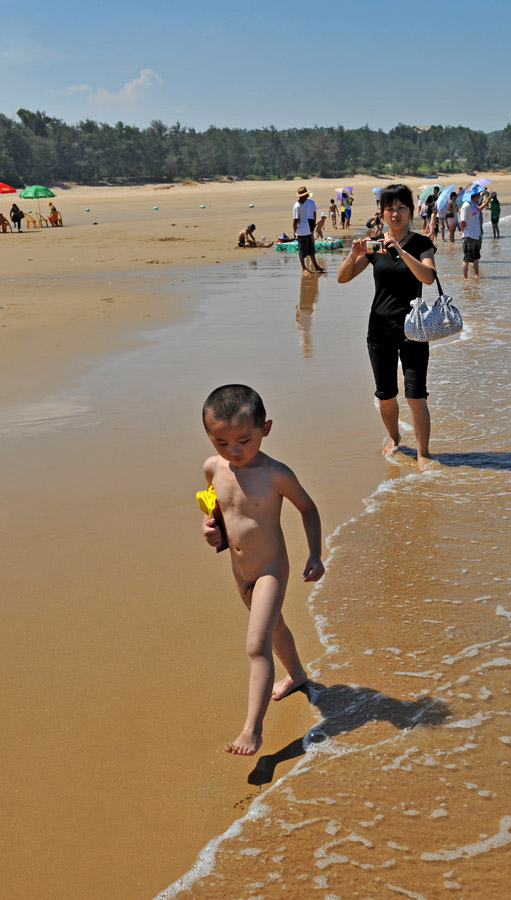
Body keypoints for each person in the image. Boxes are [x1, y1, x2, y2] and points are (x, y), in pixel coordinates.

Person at [200, 384, 325, 756]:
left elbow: (309, 508)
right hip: (240, 569)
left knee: (257, 644)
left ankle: (251, 730)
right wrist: (210, 527)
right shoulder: (212, 467)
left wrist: (316, 554)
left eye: (243, 440)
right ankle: (298, 676)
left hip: (271, 567)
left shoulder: (275, 474)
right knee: (274, 629)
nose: (233, 451)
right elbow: (214, 507)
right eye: (221, 443)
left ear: (265, 429)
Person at [336, 183, 436, 471]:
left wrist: (401, 251)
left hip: (413, 329)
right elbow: (343, 278)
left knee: (417, 395)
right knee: (386, 395)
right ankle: (394, 438)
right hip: (379, 328)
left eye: (401, 208)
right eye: (389, 208)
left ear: (410, 212)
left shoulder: (421, 244)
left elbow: (428, 277)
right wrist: (354, 254)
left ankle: (423, 453)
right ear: (381, 213)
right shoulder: (374, 245)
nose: (395, 213)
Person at [293, 186, 324, 274]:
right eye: (306, 195)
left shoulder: (303, 204)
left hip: (307, 229)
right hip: (301, 231)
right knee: (302, 251)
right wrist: (294, 232)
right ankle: (304, 268)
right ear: (302, 196)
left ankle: (316, 266)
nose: (307, 196)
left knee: (311, 250)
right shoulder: (297, 206)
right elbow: (295, 220)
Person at [459, 185, 483, 278]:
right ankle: (465, 277)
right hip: (469, 234)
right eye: (479, 195)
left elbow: (479, 209)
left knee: (476, 257)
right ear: (475, 196)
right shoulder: (466, 205)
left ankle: (476, 275)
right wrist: (462, 231)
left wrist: (487, 200)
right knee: (467, 258)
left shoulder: (475, 204)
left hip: (476, 234)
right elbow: (462, 221)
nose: (479, 197)